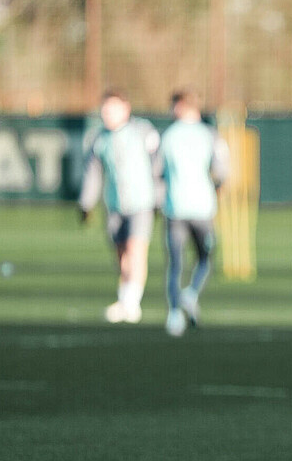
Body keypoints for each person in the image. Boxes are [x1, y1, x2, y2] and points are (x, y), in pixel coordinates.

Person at [79, 89, 162, 324]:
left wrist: (158, 197)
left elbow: (158, 166)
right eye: (105, 109)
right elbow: (92, 174)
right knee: (121, 256)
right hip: (115, 204)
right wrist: (86, 203)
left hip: (141, 203)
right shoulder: (99, 139)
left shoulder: (143, 132)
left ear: (126, 108)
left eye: (112, 108)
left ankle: (131, 303)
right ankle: (125, 298)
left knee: (136, 250)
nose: (108, 114)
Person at [159, 89, 230, 337]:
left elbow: (157, 172)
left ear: (180, 107)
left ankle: (174, 314)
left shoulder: (168, 136)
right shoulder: (210, 135)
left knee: (175, 263)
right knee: (205, 258)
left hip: (175, 208)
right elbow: (222, 172)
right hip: (202, 208)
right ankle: (191, 293)